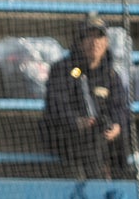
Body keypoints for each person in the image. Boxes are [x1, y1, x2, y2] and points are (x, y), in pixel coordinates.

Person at [41, 21, 130, 178]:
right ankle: (94, 183)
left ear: (106, 42)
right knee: (92, 136)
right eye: (89, 37)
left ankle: (120, 182)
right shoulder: (64, 70)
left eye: (99, 37)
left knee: (119, 135)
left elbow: (120, 107)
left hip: (100, 136)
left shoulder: (111, 75)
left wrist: (116, 125)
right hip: (68, 134)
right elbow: (56, 106)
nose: (94, 42)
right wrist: (77, 121)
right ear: (80, 41)